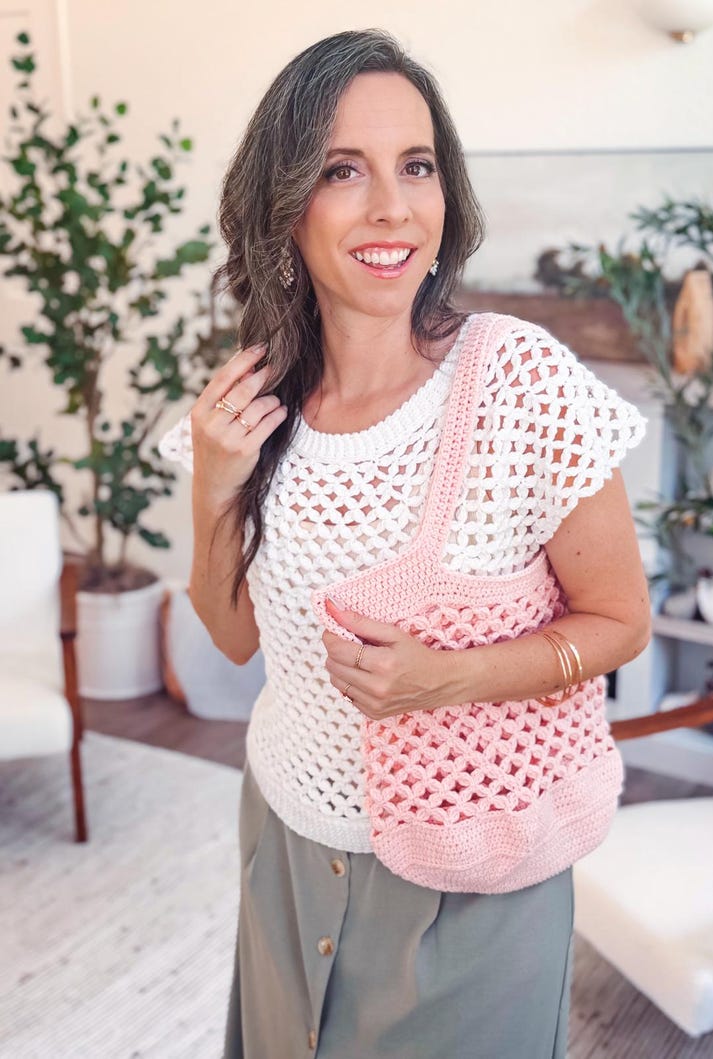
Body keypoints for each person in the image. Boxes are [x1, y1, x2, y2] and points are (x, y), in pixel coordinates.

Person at [159, 27, 651, 1059]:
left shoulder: (519, 381)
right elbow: (232, 636)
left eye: (415, 167)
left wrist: (450, 680)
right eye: (344, 170)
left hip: (476, 874)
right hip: (285, 840)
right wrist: (214, 484)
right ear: (284, 203)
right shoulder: (252, 400)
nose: (391, 207)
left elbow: (619, 623)